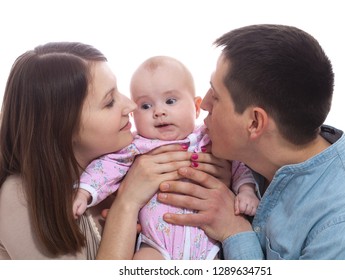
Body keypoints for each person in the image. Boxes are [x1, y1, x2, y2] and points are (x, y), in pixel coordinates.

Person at [156, 24, 345, 259]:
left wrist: (235, 230)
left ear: (255, 122)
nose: (204, 104)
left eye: (215, 96)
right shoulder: (239, 160)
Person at [0, 42, 228, 259]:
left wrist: (222, 181)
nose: (130, 106)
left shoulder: (120, 170)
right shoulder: (19, 198)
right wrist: (127, 203)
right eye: (110, 102)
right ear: (63, 125)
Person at [72, 55, 259, 260]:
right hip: (156, 245)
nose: (159, 112)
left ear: (196, 107)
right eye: (145, 106)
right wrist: (85, 192)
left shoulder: (210, 138)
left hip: (208, 245)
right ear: (135, 115)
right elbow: (106, 167)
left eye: (170, 101)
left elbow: (239, 164)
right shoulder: (137, 146)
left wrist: (246, 191)